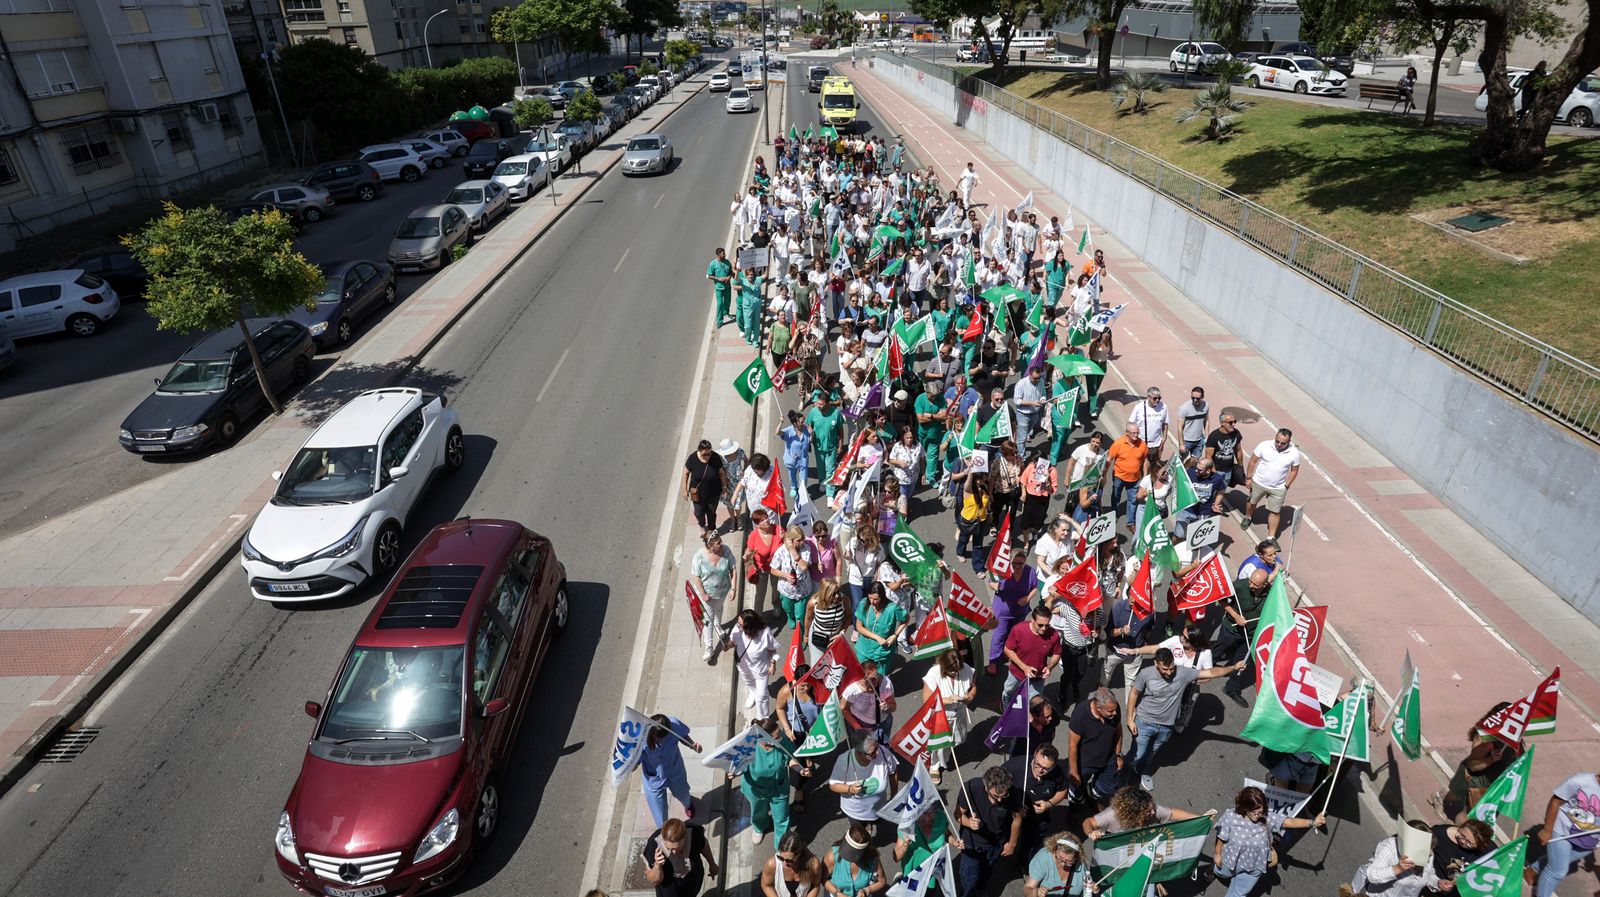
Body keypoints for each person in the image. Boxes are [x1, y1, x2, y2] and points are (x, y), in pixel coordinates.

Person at [1127, 648, 1243, 790]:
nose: (1169, 673)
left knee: (1151, 752)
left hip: (1166, 727)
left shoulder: (1183, 673)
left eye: (1171, 668)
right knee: (1137, 754)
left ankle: (1141, 771)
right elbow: (1134, 692)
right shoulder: (1146, 674)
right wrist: (1130, 719)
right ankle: (1125, 774)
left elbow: (1210, 672)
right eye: (1165, 669)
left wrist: (1233, 667)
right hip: (1144, 722)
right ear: (1156, 663)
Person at [1213, 786, 1327, 897]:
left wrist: (1312, 823)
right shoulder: (1231, 816)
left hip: (1255, 867)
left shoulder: (1267, 817)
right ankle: (1213, 871)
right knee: (1221, 873)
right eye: (1254, 812)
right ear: (1245, 807)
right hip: (1231, 861)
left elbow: (1289, 822)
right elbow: (1221, 836)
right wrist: (1217, 854)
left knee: (1239, 893)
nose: (1258, 815)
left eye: (1261, 811)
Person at [955, 765, 1023, 897]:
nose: (999, 800)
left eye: (1003, 796)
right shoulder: (970, 788)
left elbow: (1017, 819)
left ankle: (980, 890)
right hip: (972, 844)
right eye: (996, 796)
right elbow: (958, 815)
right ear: (986, 787)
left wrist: (1012, 844)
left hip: (996, 844)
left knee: (988, 871)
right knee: (969, 877)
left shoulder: (1012, 793)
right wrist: (969, 823)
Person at [1531, 768, 1600, 897]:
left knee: (1559, 860)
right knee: (1557, 871)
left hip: (1589, 839)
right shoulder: (1582, 781)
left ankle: (1533, 870)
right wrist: (1547, 830)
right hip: (1563, 831)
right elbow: (1555, 801)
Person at [732, 717, 799, 845]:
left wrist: (799, 770)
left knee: (782, 818)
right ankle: (759, 827)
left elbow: (790, 757)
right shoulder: (748, 747)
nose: (780, 737)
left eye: (779, 733)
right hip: (756, 790)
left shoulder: (782, 739)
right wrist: (733, 773)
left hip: (779, 788)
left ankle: (782, 846)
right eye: (776, 736)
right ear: (762, 738)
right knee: (758, 811)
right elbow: (738, 767)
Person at [830, 728, 899, 836]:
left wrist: (894, 795)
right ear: (859, 753)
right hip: (856, 812)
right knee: (861, 835)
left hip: (878, 807)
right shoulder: (844, 761)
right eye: (872, 753)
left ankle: (870, 823)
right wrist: (850, 789)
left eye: (877, 747)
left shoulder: (883, 752)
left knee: (878, 821)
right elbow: (833, 785)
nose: (877, 753)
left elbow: (893, 772)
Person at [923, 649, 977, 783]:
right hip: (940, 715)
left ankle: (944, 757)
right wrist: (946, 699)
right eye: (951, 670)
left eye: (957, 670)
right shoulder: (933, 673)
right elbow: (927, 699)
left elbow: (973, 686)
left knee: (955, 740)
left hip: (958, 714)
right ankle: (934, 766)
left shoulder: (967, 670)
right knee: (938, 743)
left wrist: (969, 697)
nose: (955, 673)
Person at [1004, 743, 1070, 853]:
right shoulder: (1014, 766)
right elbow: (996, 788)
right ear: (1034, 754)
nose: (1040, 770)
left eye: (1046, 769)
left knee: (1031, 845)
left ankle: (1024, 863)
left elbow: (1062, 790)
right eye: (1037, 764)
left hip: (1037, 820)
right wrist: (1013, 806)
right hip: (1010, 816)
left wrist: (1050, 803)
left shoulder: (1058, 774)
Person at [640, 714, 703, 828]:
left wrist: (692, 745)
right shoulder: (640, 739)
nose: (663, 740)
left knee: (683, 794)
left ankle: (688, 804)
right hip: (653, 779)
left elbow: (682, 736)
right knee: (660, 817)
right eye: (660, 739)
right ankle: (664, 831)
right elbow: (634, 764)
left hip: (675, 770)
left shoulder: (674, 724)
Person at [1346, 821, 1441, 896]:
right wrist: (1398, 868)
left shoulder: (1429, 855)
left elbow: (1429, 873)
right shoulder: (1389, 848)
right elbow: (1372, 875)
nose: (1430, 853)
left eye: (1431, 848)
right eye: (1427, 849)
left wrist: (1438, 882)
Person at [1083, 785, 1209, 839]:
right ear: (1132, 813)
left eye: (1152, 808)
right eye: (1148, 812)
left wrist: (1201, 818)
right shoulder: (1112, 815)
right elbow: (1088, 822)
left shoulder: (1153, 809)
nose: (1153, 813)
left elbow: (1172, 814)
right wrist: (1091, 833)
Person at [1001, 604, 1063, 709]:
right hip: (1016, 673)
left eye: (1047, 625)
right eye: (1040, 625)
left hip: (1038, 677)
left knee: (1035, 702)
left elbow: (1057, 653)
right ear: (1032, 620)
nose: (1044, 628)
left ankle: (1027, 718)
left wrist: (1050, 666)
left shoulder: (1054, 635)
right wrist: (1024, 667)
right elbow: (1007, 649)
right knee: (1008, 691)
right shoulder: (1019, 630)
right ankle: (1005, 706)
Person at [1245, 428, 1301, 538]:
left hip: (1278, 488)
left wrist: (1286, 486)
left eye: (1283, 443)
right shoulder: (1264, 445)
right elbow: (1253, 461)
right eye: (1277, 441)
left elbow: (1294, 470)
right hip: (1258, 482)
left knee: (1275, 512)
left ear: (1289, 442)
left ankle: (1271, 537)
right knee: (1251, 502)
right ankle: (1248, 517)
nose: (1279, 444)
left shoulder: (1294, 453)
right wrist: (1249, 478)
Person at [987, 554, 1039, 675]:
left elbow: (1035, 588)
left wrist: (1027, 598)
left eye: (1020, 564)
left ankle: (1008, 652)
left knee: (1014, 634)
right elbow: (991, 580)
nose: (1017, 566)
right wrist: (993, 585)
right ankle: (993, 661)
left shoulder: (1030, 572)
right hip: (1003, 611)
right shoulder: (1003, 569)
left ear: (1025, 562)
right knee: (999, 635)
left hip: (1019, 611)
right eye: (1014, 563)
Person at [643, 817, 719, 897]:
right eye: (669, 848)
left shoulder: (693, 832)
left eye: (677, 848)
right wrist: (657, 865)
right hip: (670, 890)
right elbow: (655, 881)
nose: (674, 852)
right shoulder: (654, 845)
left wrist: (712, 864)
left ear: (685, 837)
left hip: (692, 882)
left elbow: (704, 846)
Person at [690, 532, 735, 661]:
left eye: (720, 541)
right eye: (718, 543)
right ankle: (709, 647)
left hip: (722, 590)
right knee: (708, 618)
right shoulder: (699, 557)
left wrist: (733, 588)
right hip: (707, 595)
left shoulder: (725, 551)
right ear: (709, 546)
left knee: (719, 608)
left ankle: (718, 625)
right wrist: (703, 594)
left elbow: (733, 568)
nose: (721, 544)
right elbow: (696, 576)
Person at [898, 803, 962, 892]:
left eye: (932, 813)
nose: (928, 818)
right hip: (915, 872)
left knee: (929, 892)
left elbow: (945, 832)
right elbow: (896, 857)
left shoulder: (940, 816)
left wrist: (954, 842)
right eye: (924, 813)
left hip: (932, 869)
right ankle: (899, 879)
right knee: (914, 892)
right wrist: (905, 844)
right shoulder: (908, 824)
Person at [1422, 819, 1493, 896]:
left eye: (1469, 843)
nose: (1463, 841)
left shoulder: (1488, 852)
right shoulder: (1440, 833)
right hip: (1430, 885)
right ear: (1460, 827)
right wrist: (1436, 882)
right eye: (1461, 835)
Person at [854, 583, 910, 677]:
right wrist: (877, 638)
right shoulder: (864, 603)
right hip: (864, 649)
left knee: (879, 678)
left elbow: (906, 618)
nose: (872, 602)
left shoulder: (892, 609)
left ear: (882, 597)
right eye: (870, 598)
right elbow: (859, 627)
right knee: (862, 676)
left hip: (882, 652)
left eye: (876, 599)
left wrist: (895, 636)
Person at [730, 609, 777, 718]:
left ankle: (763, 719)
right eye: (738, 622)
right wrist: (727, 645)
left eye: (741, 624)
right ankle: (752, 693)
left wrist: (773, 663)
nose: (738, 626)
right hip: (743, 666)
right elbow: (733, 641)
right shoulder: (737, 629)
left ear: (749, 626)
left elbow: (772, 650)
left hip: (761, 669)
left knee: (762, 696)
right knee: (749, 682)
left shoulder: (765, 633)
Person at [824, 822, 889, 897]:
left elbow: (882, 881)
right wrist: (837, 893)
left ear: (864, 852)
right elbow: (822, 877)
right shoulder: (832, 856)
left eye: (852, 854)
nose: (847, 856)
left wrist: (865, 890)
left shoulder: (873, 860)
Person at [772, 526, 818, 631]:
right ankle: (790, 616)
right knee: (787, 607)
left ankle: (801, 635)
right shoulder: (780, 551)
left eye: (802, 539)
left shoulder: (805, 548)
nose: (802, 542)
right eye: (798, 540)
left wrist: (793, 550)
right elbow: (773, 570)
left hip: (802, 590)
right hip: (786, 590)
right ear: (790, 540)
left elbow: (804, 567)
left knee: (800, 616)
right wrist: (786, 576)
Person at [684, 439, 731, 535]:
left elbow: (721, 473)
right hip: (697, 493)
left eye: (709, 453)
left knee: (711, 512)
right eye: (704, 454)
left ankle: (711, 528)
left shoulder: (715, 457)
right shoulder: (692, 458)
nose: (707, 456)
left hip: (713, 493)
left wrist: (724, 487)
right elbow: (686, 473)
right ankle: (701, 524)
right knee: (698, 513)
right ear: (699, 451)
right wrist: (684, 490)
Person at [1022, 833, 1092, 897]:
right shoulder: (1043, 858)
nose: (1063, 864)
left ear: (1077, 857)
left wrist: (1091, 888)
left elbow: (1086, 890)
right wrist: (1036, 892)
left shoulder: (1081, 864)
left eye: (1069, 861)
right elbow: (1028, 889)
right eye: (1060, 858)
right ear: (1054, 849)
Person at [1173, 457, 1228, 539]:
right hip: (1187, 509)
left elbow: (1221, 491)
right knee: (1178, 535)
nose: (1196, 471)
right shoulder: (1191, 472)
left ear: (1208, 471)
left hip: (1203, 513)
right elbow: (1180, 473)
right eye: (1196, 468)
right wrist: (1188, 463)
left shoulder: (1217, 479)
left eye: (1200, 470)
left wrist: (1216, 504)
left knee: (1196, 539)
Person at [762, 831, 828, 897]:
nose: (784, 863)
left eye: (789, 860)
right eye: (781, 858)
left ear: (799, 854)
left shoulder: (813, 865)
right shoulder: (772, 864)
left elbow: (815, 886)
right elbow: (766, 885)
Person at [802, 579, 852, 665]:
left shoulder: (844, 600)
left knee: (836, 666)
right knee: (817, 665)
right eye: (833, 594)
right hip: (818, 638)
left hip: (836, 639)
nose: (837, 596)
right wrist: (806, 636)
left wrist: (842, 632)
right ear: (825, 593)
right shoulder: (813, 603)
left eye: (838, 592)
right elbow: (808, 619)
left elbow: (849, 617)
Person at [1106, 424, 1146, 527]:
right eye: (1133, 433)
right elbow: (1109, 459)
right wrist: (1103, 474)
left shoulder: (1142, 444)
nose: (1136, 435)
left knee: (1133, 500)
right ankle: (1114, 514)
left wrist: (1145, 476)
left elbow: (1145, 460)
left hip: (1135, 479)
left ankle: (1131, 521)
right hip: (1119, 477)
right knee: (1116, 497)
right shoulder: (1118, 444)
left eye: (1137, 432)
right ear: (1127, 433)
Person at [1126, 388, 1169, 475]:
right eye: (1155, 398)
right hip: (1141, 443)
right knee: (1141, 468)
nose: (1157, 400)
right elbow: (1130, 424)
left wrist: (1163, 440)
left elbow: (1165, 424)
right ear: (1148, 397)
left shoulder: (1163, 407)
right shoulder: (1139, 407)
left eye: (1159, 398)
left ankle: (1151, 485)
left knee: (1153, 468)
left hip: (1156, 445)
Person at [746, 509, 781, 610]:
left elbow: (786, 547)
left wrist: (784, 538)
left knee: (776, 590)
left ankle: (776, 606)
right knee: (760, 595)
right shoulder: (753, 535)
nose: (766, 521)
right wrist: (748, 555)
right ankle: (758, 616)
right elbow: (749, 550)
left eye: (766, 518)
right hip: (761, 569)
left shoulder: (778, 529)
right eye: (762, 520)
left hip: (776, 567)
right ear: (758, 525)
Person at [1204, 413, 1247, 495]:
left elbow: (1238, 450)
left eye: (1235, 421)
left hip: (1228, 470)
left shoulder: (1236, 433)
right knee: (1210, 492)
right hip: (1216, 470)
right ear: (1222, 423)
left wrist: (1240, 467)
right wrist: (1214, 473)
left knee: (1222, 491)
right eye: (1230, 422)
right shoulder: (1214, 436)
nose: (1233, 424)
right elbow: (1208, 456)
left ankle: (1216, 506)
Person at [780, 411, 814, 502]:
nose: (804, 423)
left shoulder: (806, 429)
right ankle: (794, 487)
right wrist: (781, 422)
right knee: (792, 476)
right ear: (796, 422)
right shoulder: (789, 431)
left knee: (804, 478)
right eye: (802, 422)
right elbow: (778, 433)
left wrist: (811, 434)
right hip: (791, 460)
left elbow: (810, 441)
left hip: (803, 459)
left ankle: (802, 492)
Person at [1176, 386, 1209, 460]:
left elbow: (1206, 421)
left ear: (1202, 397)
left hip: (1199, 440)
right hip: (1187, 440)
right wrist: (1181, 444)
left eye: (1197, 398)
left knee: (1195, 460)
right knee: (1182, 460)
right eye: (1192, 397)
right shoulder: (1184, 408)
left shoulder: (1206, 406)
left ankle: (1188, 470)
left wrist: (1207, 436)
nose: (1195, 400)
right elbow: (1179, 427)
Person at [707, 248, 735, 326]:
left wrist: (729, 277)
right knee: (720, 304)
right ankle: (719, 321)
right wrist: (718, 279)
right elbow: (709, 275)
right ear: (718, 255)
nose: (725, 255)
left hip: (727, 287)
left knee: (727, 302)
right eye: (723, 254)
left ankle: (726, 313)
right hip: (719, 288)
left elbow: (731, 272)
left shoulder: (727, 262)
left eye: (724, 253)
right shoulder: (713, 264)